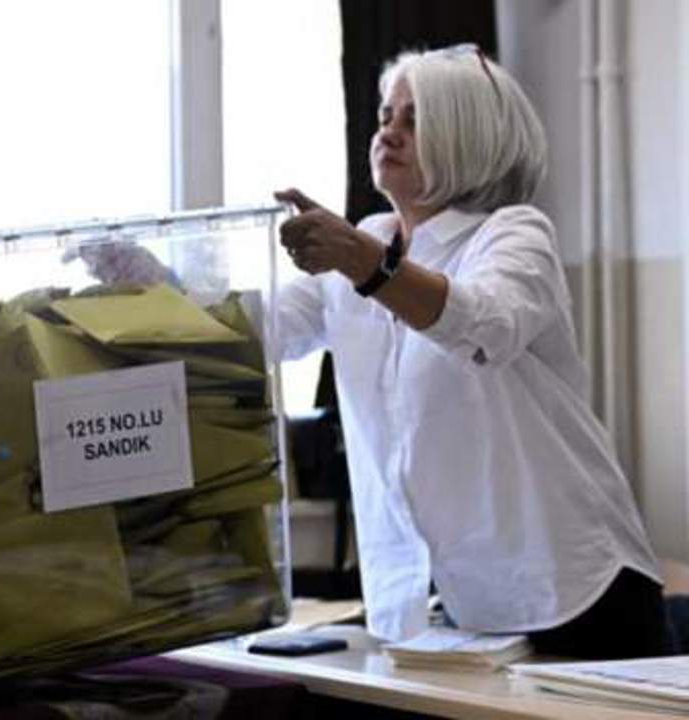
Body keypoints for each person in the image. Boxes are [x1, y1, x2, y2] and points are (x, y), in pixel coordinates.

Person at [272, 44, 667, 659]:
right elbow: (263, 328)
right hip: (464, 601)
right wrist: (143, 283)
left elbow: (484, 324)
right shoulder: (371, 242)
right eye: (385, 116)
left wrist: (364, 265)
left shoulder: (513, 235)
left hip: (578, 590)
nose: (390, 132)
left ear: (469, 135)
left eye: (415, 119)